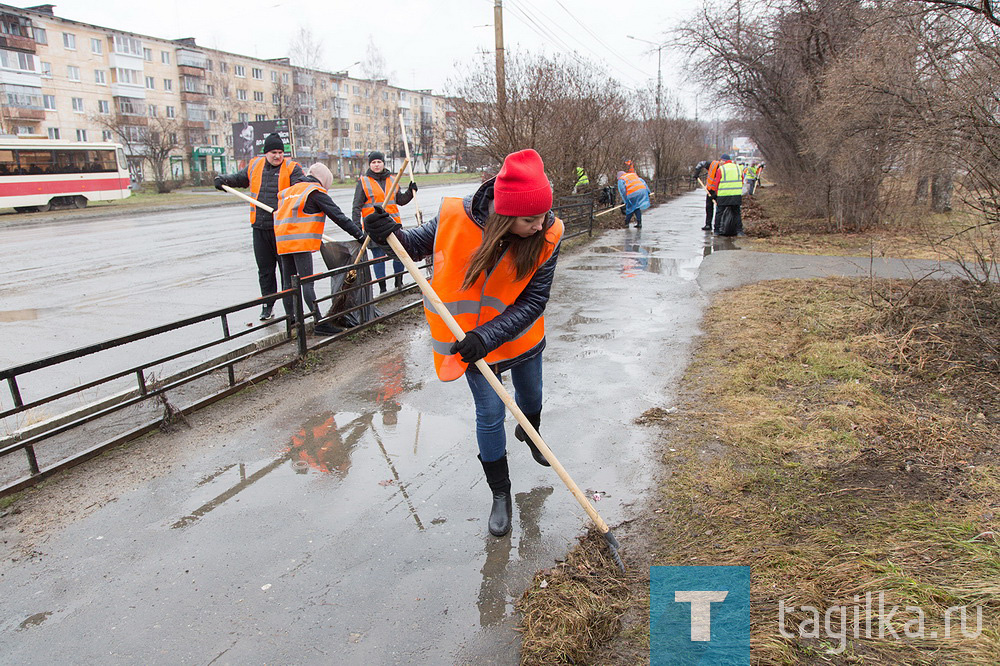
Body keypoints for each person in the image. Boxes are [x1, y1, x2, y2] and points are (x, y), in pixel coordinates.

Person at [363, 148, 563, 538]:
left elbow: (534, 300)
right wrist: (384, 235)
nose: (540, 226)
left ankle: (531, 432)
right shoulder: (456, 216)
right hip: (469, 344)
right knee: (490, 416)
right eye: (529, 219)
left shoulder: (549, 233)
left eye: (542, 216)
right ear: (505, 215)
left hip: (518, 335)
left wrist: (488, 335)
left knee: (531, 399)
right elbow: (411, 245)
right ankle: (500, 493)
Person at [215, 133, 305, 320]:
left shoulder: (292, 168)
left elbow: (301, 189)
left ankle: (292, 310)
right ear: (266, 153)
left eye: (281, 152)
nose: (278, 156)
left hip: (283, 228)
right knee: (265, 270)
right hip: (260, 227)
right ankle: (267, 305)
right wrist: (223, 180)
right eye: (273, 152)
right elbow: (238, 179)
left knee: (287, 271)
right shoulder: (255, 165)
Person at [272, 163, 366, 330]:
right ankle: (319, 323)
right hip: (300, 243)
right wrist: (359, 235)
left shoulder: (289, 191)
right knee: (307, 283)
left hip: (282, 241)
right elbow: (339, 217)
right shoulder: (314, 192)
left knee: (288, 284)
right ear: (323, 180)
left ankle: (292, 321)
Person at [351, 151, 417, 293]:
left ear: (383, 163)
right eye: (373, 162)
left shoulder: (393, 180)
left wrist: (411, 192)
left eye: (379, 162)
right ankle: (383, 289)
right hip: (374, 228)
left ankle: (399, 283)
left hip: (393, 225)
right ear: (370, 165)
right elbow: (356, 207)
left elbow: (400, 200)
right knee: (378, 258)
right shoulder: (364, 182)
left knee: (400, 255)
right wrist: (356, 229)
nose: (376, 165)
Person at [707, 153, 744, 236]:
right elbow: (742, 180)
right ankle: (739, 231)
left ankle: (716, 231)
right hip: (736, 195)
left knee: (719, 213)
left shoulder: (721, 169)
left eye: (721, 161)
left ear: (723, 161)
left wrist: (715, 193)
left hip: (723, 195)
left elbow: (717, 182)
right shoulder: (738, 168)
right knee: (737, 213)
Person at [694, 158, 721, 231]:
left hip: (720, 191)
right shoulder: (712, 165)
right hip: (710, 191)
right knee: (709, 207)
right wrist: (697, 172)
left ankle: (719, 226)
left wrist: (716, 193)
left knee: (720, 209)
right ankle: (708, 225)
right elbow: (701, 163)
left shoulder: (725, 169)